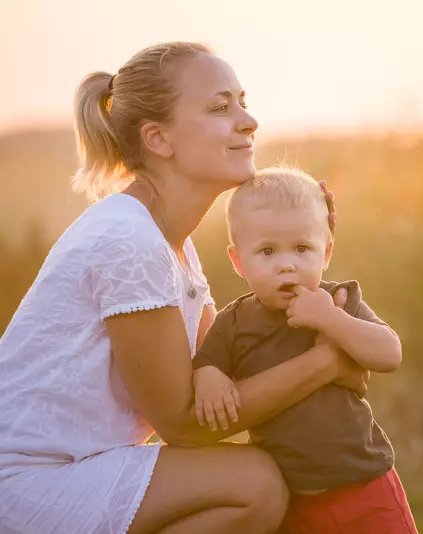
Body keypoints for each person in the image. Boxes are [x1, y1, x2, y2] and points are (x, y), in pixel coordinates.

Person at [0, 41, 368, 534]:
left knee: (262, 474)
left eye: (242, 100)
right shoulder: (129, 239)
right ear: (159, 138)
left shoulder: (172, 244)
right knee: (252, 484)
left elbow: (230, 361)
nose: (248, 120)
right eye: (221, 107)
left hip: (74, 466)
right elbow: (185, 423)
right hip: (28, 482)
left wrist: (311, 240)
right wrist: (327, 362)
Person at [191, 167, 418, 533]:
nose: (287, 264)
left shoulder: (338, 300)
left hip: (364, 486)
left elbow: (390, 353)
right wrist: (210, 378)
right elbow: (207, 364)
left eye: (302, 248)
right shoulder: (234, 323)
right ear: (238, 261)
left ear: (325, 252)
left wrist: (332, 320)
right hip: (292, 502)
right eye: (267, 251)